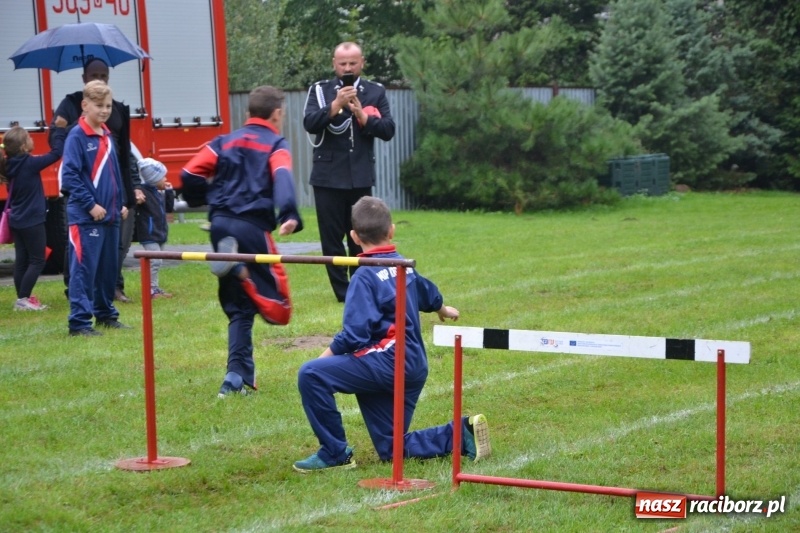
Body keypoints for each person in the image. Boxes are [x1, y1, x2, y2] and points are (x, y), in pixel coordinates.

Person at [294, 196, 490, 473]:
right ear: (392, 231)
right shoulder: (403, 265)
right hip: (412, 365)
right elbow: (428, 294)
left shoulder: (364, 276)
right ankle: (460, 434)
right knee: (392, 448)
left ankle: (334, 453)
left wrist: (321, 360)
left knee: (311, 374)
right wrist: (443, 309)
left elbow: (353, 336)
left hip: (389, 363)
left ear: (353, 237)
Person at [180, 85, 303, 398]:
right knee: (280, 306)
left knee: (239, 307)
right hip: (252, 228)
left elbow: (188, 172)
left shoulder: (223, 141)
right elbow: (283, 179)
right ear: (277, 114)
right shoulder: (276, 144)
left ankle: (235, 379)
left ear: (248, 112)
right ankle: (238, 270)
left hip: (220, 226)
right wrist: (289, 213)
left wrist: (208, 198)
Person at [303, 41, 396, 302]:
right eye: (342, 63)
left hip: (359, 176)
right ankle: (342, 293)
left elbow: (388, 130)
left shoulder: (375, 91)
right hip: (327, 178)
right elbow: (309, 123)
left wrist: (363, 117)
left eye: (352, 63)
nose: (347, 68)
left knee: (361, 236)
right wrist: (334, 106)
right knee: (331, 240)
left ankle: (361, 287)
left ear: (362, 63)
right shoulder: (320, 91)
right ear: (334, 63)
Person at [51, 57, 144, 303]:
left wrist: (126, 196)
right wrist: (90, 204)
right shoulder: (72, 115)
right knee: (83, 261)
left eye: (104, 75)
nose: (104, 110)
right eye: (94, 75)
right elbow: (66, 164)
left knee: (112, 257)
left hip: (113, 204)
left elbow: (123, 160)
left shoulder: (112, 125)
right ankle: (79, 309)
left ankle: (108, 305)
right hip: (87, 206)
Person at [61, 80, 130, 337]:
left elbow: (113, 174)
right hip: (87, 218)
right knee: (84, 270)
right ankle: (79, 322)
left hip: (111, 215)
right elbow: (69, 177)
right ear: (84, 105)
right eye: (99, 106)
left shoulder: (107, 134)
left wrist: (120, 202)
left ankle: (105, 314)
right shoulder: (77, 136)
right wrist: (91, 205)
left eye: (108, 106)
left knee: (108, 269)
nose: (104, 111)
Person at [0, 118, 67, 311]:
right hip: (32, 220)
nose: (32, 139)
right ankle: (23, 299)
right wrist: (59, 130)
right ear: (23, 146)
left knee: (21, 261)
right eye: (29, 137)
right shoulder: (29, 163)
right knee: (37, 260)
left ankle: (23, 298)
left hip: (17, 220)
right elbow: (56, 154)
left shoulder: (10, 164)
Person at [135, 157, 175, 299]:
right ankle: (151, 290)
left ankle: (154, 288)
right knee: (154, 262)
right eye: (162, 177)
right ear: (153, 179)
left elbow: (169, 209)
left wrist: (169, 192)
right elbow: (135, 200)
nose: (165, 179)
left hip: (159, 233)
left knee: (157, 262)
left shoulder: (157, 193)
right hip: (149, 234)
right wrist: (136, 193)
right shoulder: (142, 192)